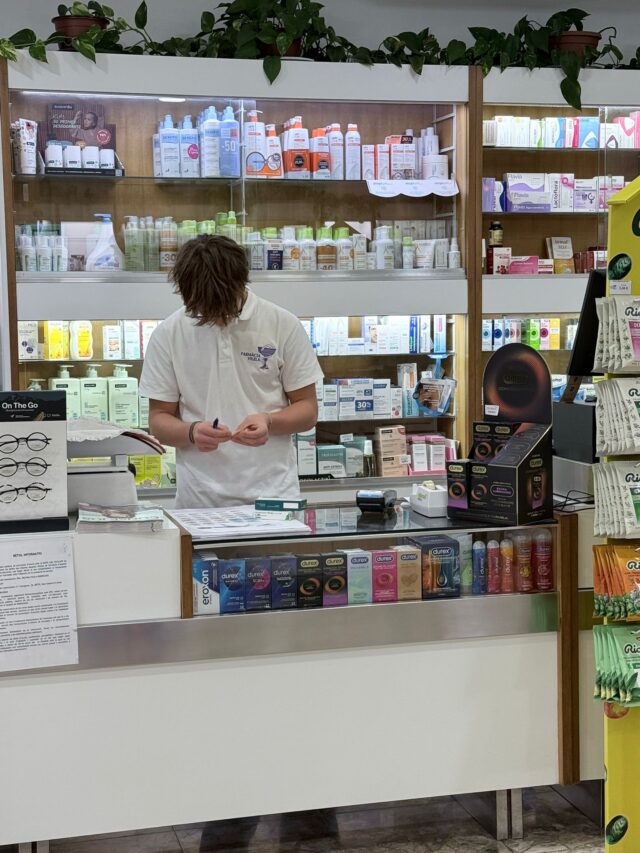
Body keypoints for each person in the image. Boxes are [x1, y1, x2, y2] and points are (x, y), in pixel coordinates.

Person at [139, 234, 322, 508]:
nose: (217, 317)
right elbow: (159, 420)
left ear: (241, 283)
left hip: (273, 498)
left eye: (224, 307)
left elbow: (307, 409)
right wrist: (191, 432)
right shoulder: (168, 334)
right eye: (203, 310)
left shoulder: (282, 324)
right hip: (199, 502)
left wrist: (268, 421)